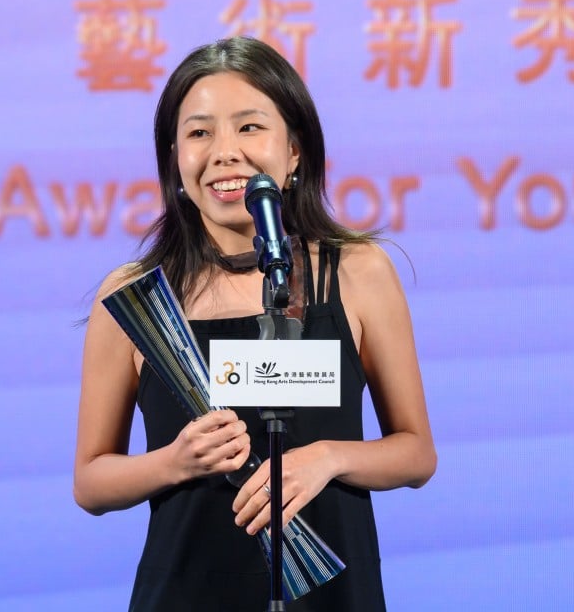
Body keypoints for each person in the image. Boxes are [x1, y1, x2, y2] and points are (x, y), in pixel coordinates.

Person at [73, 36, 436, 611]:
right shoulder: (136, 296)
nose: (224, 152)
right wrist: (174, 461)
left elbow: (416, 453)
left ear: (294, 152)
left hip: (330, 595)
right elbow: (91, 482)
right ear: (174, 158)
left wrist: (330, 458)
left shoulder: (358, 272)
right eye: (199, 133)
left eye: (249, 127)